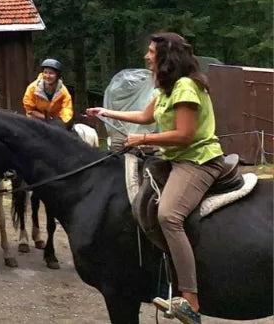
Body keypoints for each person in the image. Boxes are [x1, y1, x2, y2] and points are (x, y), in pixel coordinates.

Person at [87, 32, 225, 324]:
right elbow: (145, 116)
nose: (146, 56)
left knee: (169, 216)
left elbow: (185, 135)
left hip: (198, 161)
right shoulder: (164, 88)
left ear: (166, 57)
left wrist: (142, 140)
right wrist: (105, 111)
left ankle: (191, 300)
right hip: (175, 158)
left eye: (151, 52)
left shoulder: (186, 87)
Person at [23, 58, 74, 128]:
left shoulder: (63, 91)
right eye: (45, 72)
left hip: (56, 121)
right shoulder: (32, 88)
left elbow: (67, 109)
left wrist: (61, 121)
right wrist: (46, 118)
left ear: (57, 75)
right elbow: (29, 109)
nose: (47, 76)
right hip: (36, 119)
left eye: (51, 73)